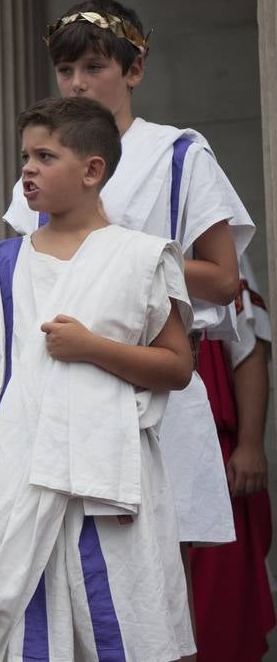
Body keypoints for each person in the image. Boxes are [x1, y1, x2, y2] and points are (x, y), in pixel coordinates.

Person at [3, 0, 254, 557]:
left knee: (163, 581)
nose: (77, 84)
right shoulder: (47, 163)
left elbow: (221, 280)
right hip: (63, 381)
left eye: (94, 67)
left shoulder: (178, 154)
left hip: (157, 377)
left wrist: (118, 257)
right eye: (66, 70)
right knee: (67, 563)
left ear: (134, 69)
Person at [0, 97, 195, 660]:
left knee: (124, 633)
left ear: (92, 171)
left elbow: (177, 366)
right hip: (16, 484)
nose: (28, 169)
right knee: (28, 640)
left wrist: (93, 348)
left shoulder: (140, 257)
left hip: (109, 481)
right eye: (25, 157)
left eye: (46, 155)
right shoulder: (0, 263)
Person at [190, 253, 274, 660]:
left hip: (210, 461)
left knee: (219, 616)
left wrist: (251, 445)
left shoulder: (218, 248)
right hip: (132, 459)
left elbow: (248, 350)